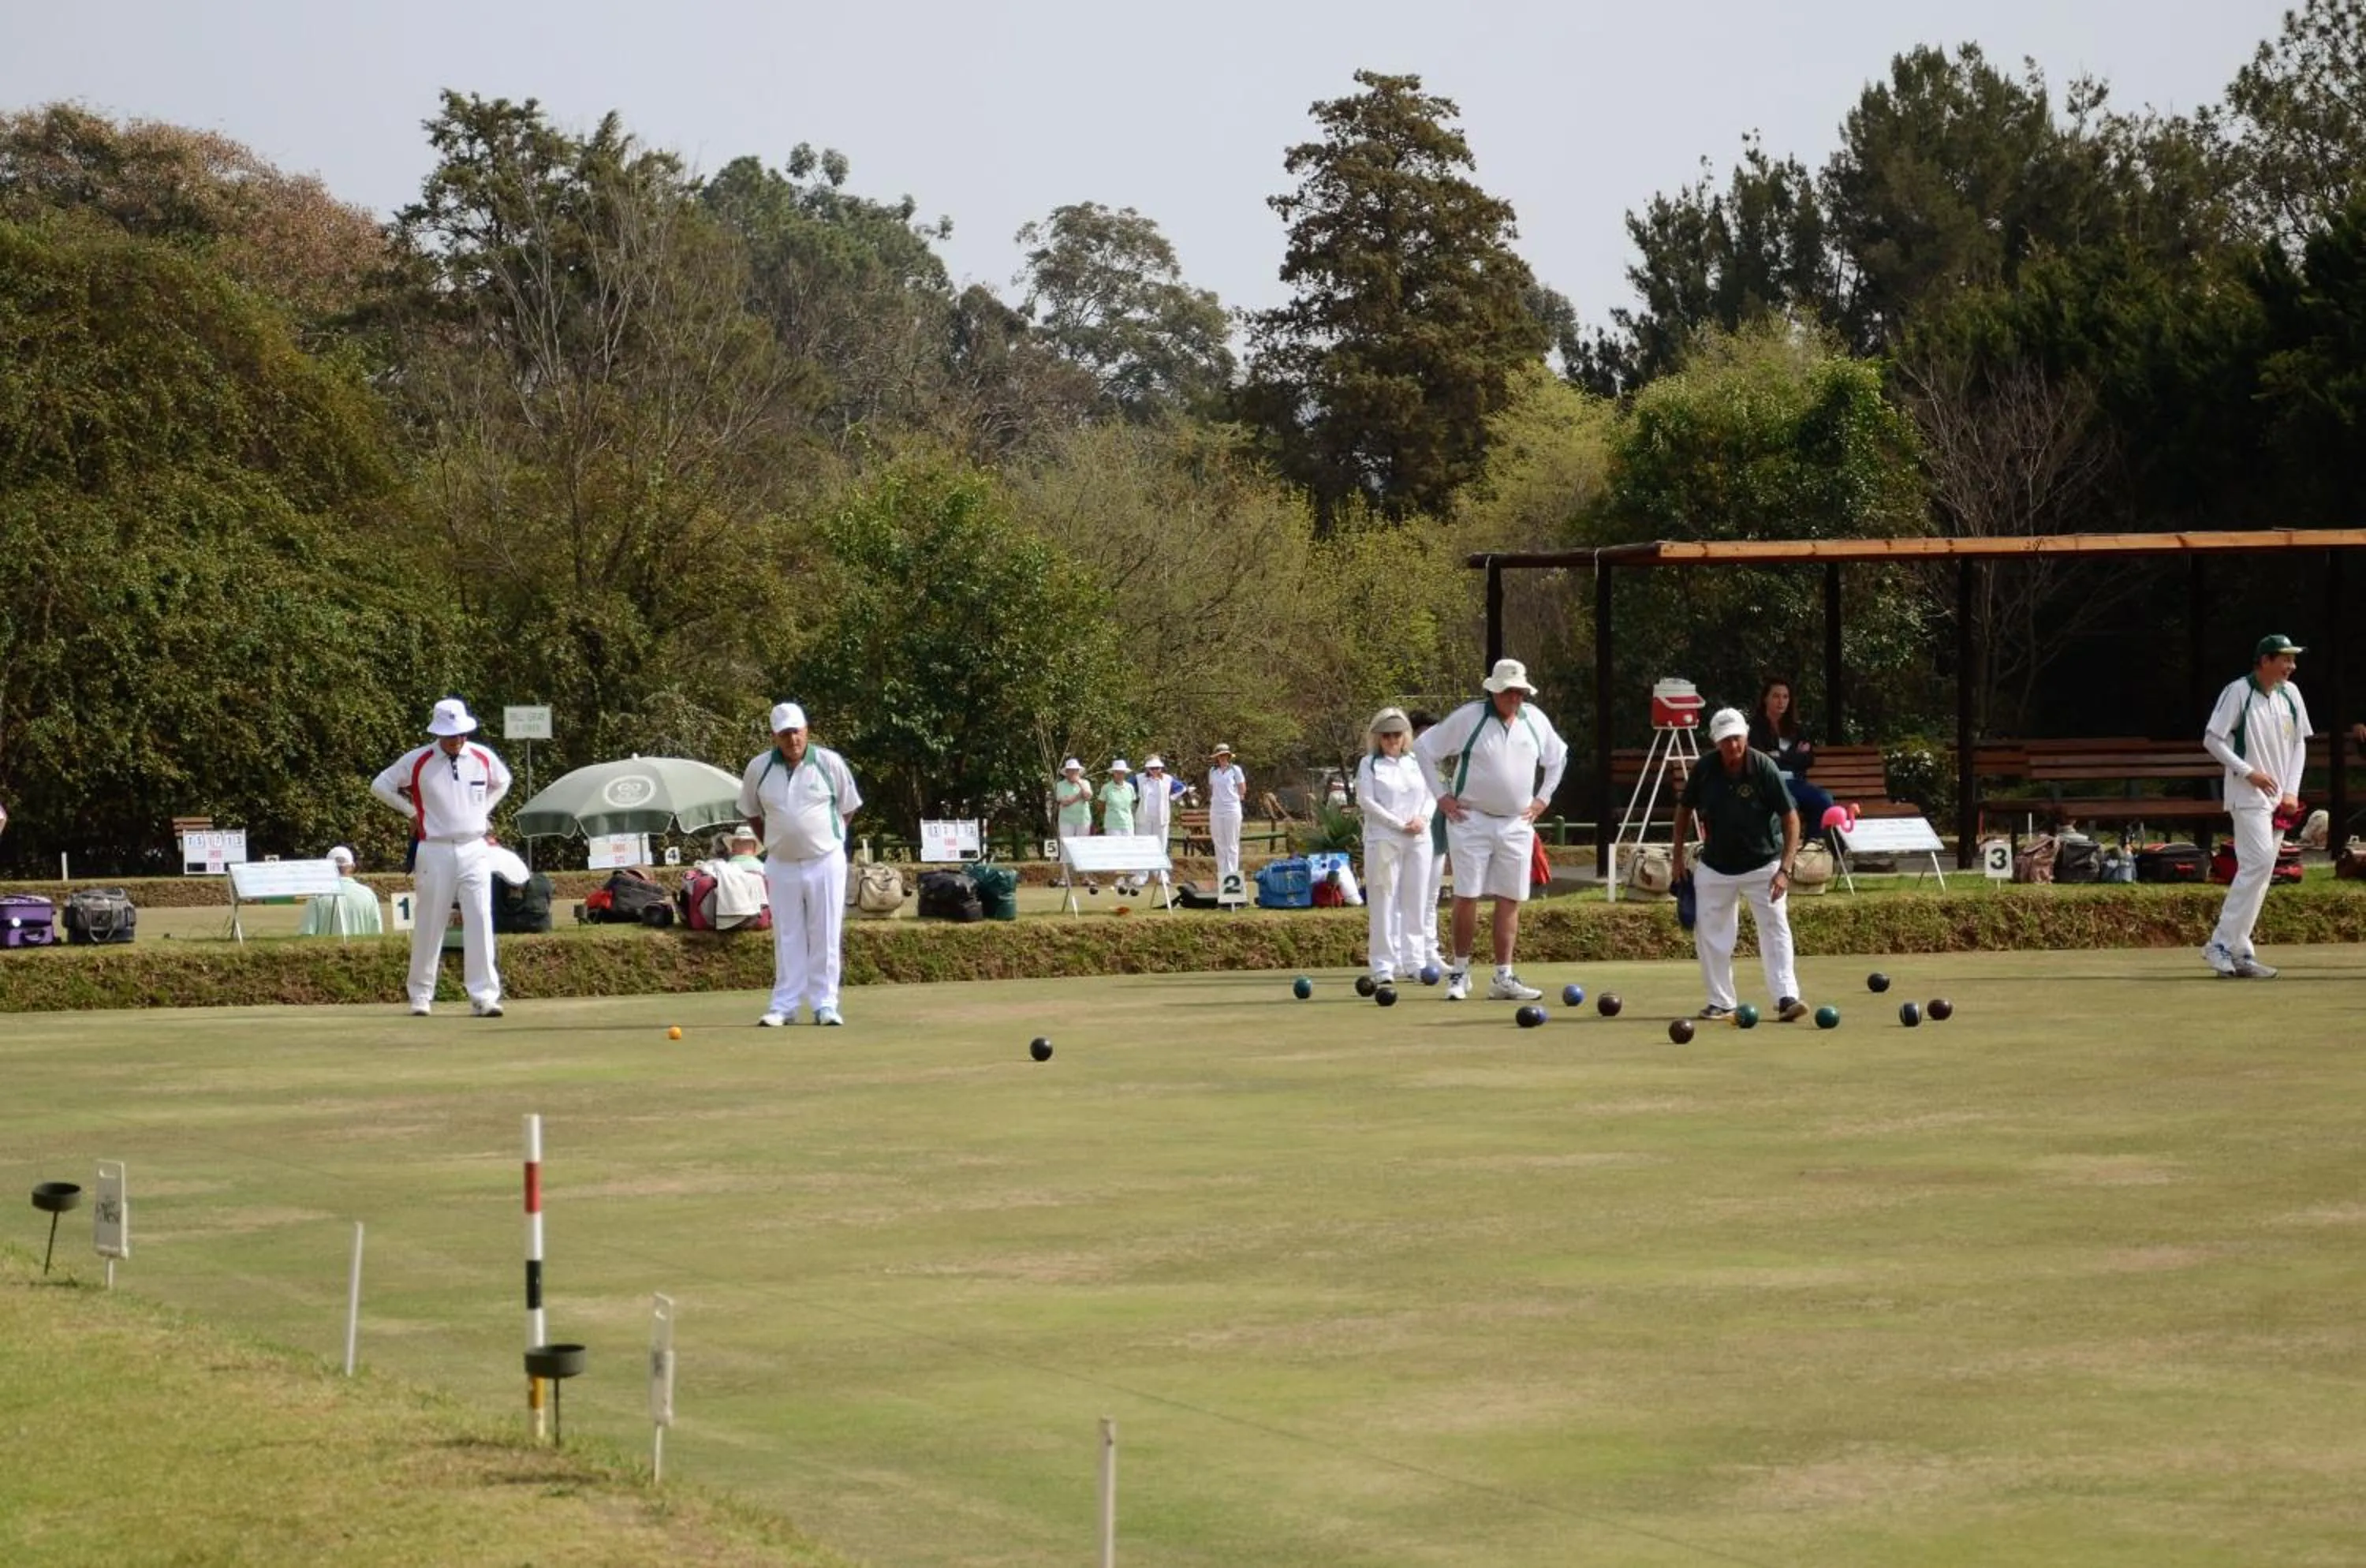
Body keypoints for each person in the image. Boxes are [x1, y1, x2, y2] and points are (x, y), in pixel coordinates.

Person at [1413, 659, 1569, 1002]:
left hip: (1517, 822)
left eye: (1520, 692)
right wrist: (1441, 796)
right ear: (1494, 691)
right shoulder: (1469, 717)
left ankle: (1503, 976)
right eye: (1509, 691)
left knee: (1510, 897)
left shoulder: (1535, 720)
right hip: (1471, 819)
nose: (1515, 697)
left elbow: (1558, 758)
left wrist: (1543, 799)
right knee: (1467, 895)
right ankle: (1460, 971)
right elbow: (1423, 749)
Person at [370, 697, 513, 1017]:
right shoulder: (418, 760)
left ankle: (484, 996)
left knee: (480, 918)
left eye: (462, 733)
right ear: (438, 733)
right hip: (434, 848)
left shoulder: (481, 756)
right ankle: (421, 995)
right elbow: (380, 786)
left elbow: (503, 781)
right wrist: (411, 812)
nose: (457, 739)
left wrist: (483, 809)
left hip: (474, 847)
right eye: (451, 734)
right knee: (430, 921)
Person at [1671, 707, 1810, 1023]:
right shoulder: (1705, 769)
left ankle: (1786, 997)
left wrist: (1785, 870)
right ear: (1715, 742)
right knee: (1711, 932)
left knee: (1775, 926)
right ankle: (1721, 1002)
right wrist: (1677, 858)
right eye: (1725, 740)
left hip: (1764, 863)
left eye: (1736, 738)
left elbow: (1791, 819)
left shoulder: (1764, 767)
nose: (1732, 745)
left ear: (1745, 736)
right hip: (1716, 864)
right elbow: (1684, 810)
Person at [739, 702, 863, 1025]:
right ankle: (784, 1006)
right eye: (785, 734)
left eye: (797, 731)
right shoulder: (759, 768)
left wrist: (831, 836)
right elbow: (751, 811)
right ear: (774, 736)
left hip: (825, 860)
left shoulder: (829, 762)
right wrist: (775, 841)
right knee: (787, 934)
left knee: (826, 932)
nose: (792, 739)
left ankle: (825, 1004)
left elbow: (848, 807)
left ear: (806, 730)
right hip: (781, 863)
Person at [2201, 635, 2312, 979]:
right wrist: (2249, 772)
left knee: (2263, 873)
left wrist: (2291, 791)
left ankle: (2239, 951)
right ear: (2265, 660)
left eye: (2293, 660)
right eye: (2286, 659)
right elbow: (2212, 739)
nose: (2292, 666)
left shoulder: (2291, 694)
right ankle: (2219, 944)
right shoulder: (2237, 691)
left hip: (2279, 800)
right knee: (2258, 864)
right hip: (2247, 795)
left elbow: (2299, 745)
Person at [1357, 707, 1435, 987]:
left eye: (1397, 735)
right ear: (1378, 738)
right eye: (1386, 735)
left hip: (1419, 838)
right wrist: (1398, 823)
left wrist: (1422, 819)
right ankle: (1383, 964)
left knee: (1416, 899)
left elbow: (1432, 795)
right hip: (1384, 839)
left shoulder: (1417, 761)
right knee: (1383, 901)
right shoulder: (1369, 764)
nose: (1392, 740)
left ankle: (1415, 962)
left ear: (1405, 736)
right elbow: (1367, 801)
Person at [1749, 677, 1835, 837]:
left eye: (1785, 697)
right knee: (1790, 805)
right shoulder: (1755, 729)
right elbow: (1762, 761)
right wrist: (1794, 756)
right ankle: (1785, 850)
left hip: (1796, 783)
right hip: (1771, 784)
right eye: (1776, 696)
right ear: (1765, 699)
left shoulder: (1796, 729)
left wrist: (1779, 756)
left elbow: (1809, 759)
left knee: (1825, 800)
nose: (1781, 701)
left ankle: (1813, 844)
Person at [1408, 711, 1447, 974]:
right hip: (1414, 840)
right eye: (1424, 733)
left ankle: (1430, 951)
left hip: (1438, 839)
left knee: (1431, 898)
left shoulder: (1439, 766)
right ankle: (1407, 954)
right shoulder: (1409, 766)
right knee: (1411, 899)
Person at [297, 845, 385, 937]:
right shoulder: (369, 895)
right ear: (353, 866)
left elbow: (307, 935)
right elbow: (377, 935)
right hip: (361, 947)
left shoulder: (317, 897)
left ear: (327, 867)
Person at [1053, 758, 1097, 891]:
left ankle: (1085, 877)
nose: (1073, 773)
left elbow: (1088, 796)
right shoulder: (1060, 785)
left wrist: (1079, 783)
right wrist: (1079, 796)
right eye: (1070, 771)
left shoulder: (1085, 783)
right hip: (1066, 820)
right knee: (1066, 848)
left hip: (1083, 819)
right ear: (1066, 772)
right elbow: (1064, 802)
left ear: (1078, 772)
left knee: (1083, 848)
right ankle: (1064, 878)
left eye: (1075, 771)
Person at [1134, 755, 1174, 900]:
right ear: (1147, 768)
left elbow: (1181, 788)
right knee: (1142, 846)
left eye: (1157, 768)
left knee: (1161, 846)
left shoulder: (1168, 779)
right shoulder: (1138, 778)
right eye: (1152, 768)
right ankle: (1141, 875)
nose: (1155, 770)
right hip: (1144, 818)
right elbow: (1127, 788)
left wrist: (1171, 798)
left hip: (1161, 818)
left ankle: (1161, 874)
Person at [1207, 743, 1248, 890]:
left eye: (1225, 755)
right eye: (1220, 756)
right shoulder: (1213, 771)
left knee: (1231, 843)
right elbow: (1212, 789)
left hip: (1231, 809)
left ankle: (1232, 876)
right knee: (1219, 843)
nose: (1223, 758)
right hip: (1216, 809)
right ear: (1217, 758)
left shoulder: (1235, 770)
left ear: (1229, 756)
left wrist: (1233, 799)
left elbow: (1242, 789)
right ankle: (1223, 875)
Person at [1099, 760, 1139, 892]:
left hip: (1127, 823)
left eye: (1122, 772)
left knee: (1129, 850)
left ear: (1125, 773)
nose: (1120, 775)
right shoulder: (1106, 788)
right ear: (1113, 773)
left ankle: (1129, 876)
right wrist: (1112, 815)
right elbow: (1101, 806)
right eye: (1117, 772)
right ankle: (1119, 877)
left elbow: (1132, 804)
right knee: (1116, 851)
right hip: (1112, 824)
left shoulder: (1130, 787)